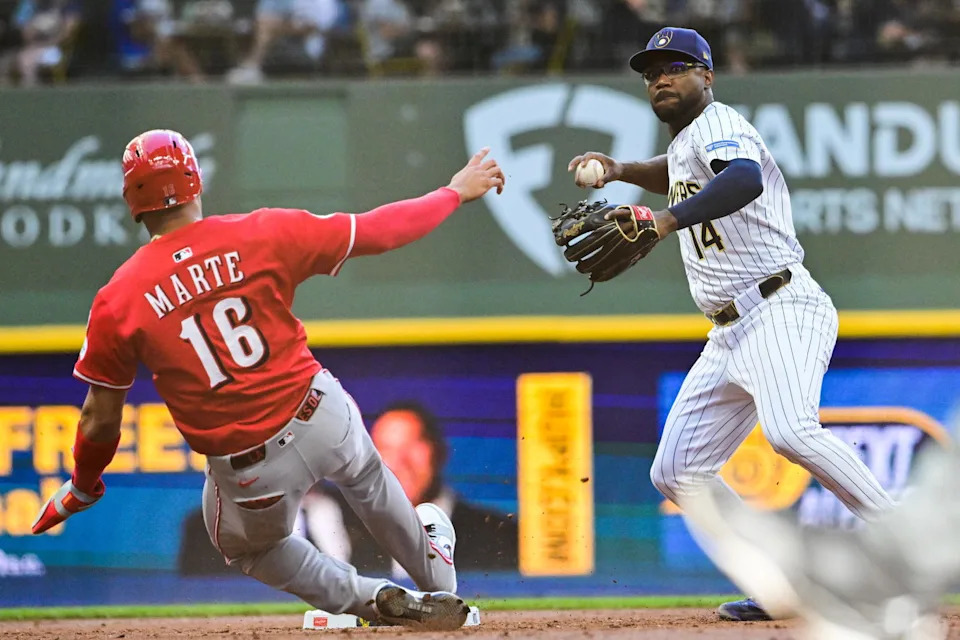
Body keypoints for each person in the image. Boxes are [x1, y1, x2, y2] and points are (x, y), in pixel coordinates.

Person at [30, 129, 505, 630]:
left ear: (133, 202)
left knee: (251, 547)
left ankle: (372, 598)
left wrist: (84, 484)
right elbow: (378, 231)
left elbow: (99, 418)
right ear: (194, 182)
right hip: (318, 411)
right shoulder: (261, 231)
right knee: (367, 479)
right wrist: (453, 192)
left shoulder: (118, 298)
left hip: (250, 465)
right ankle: (437, 580)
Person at [568, 27, 896, 622]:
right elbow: (678, 169)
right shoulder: (692, 140)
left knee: (790, 431)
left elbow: (742, 178)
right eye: (652, 73)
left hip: (779, 305)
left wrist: (665, 221)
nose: (661, 79)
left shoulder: (720, 122)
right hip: (728, 332)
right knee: (677, 472)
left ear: (708, 76)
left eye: (676, 67)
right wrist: (621, 169)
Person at [302, 402, 518, 573]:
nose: (400, 462)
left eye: (413, 445)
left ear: (439, 452)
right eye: (386, 448)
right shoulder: (345, 532)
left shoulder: (495, 534)